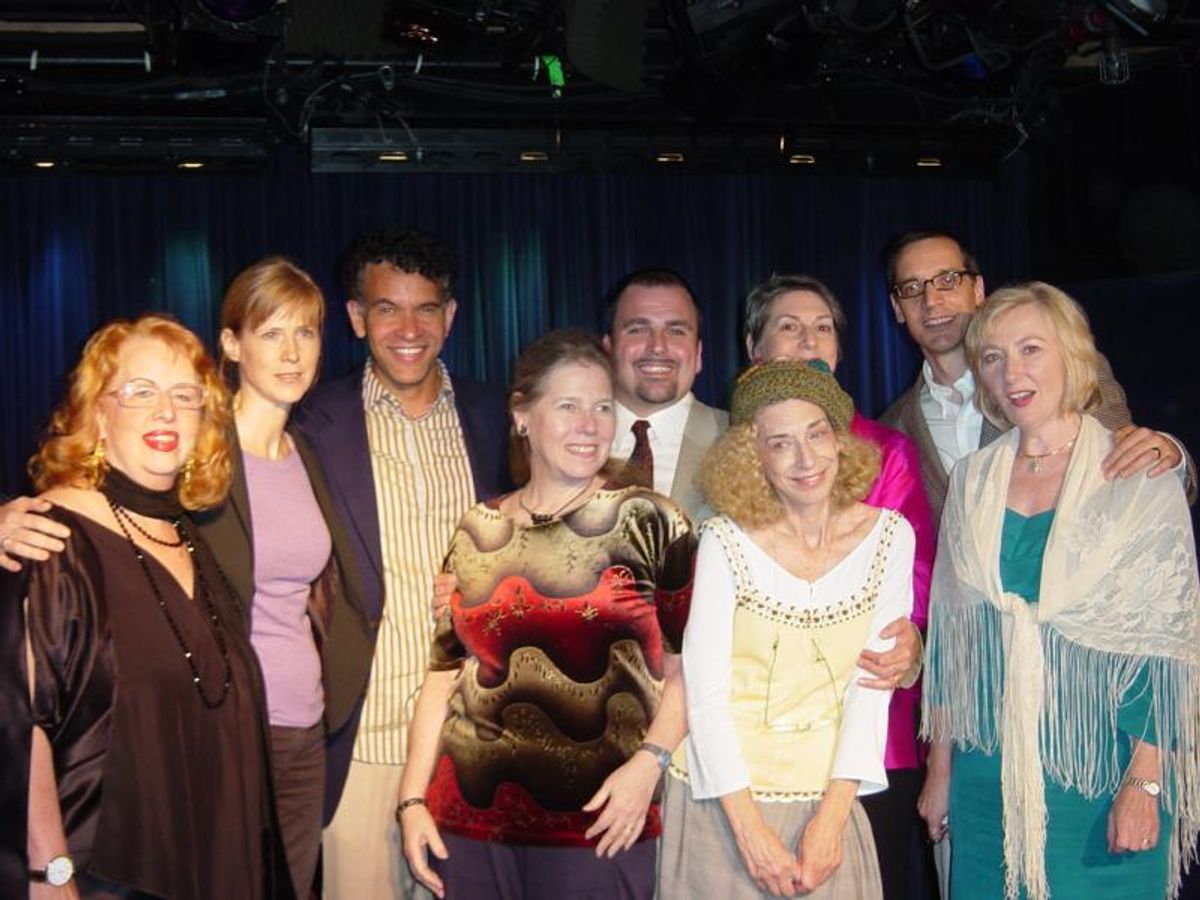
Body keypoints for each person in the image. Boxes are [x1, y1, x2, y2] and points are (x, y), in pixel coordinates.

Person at [920, 282, 1200, 900]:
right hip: (985, 773)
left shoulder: (1136, 471)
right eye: (993, 357)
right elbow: (953, 644)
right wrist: (939, 772)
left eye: (1031, 349)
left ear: (1071, 355)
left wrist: (1146, 781)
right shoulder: (972, 480)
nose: (1011, 373)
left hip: (1101, 770)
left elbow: (1165, 648)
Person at [0, 314, 291, 899]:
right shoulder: (50, 539)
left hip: (216, 862)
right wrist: (49, 872)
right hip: (107, 878)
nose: (166, 412)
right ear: (97, 415)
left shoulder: (191, 541)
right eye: (139, 391)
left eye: (185, 396)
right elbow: (19, 722)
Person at [398, 329, 695, 900]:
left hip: (601, 826)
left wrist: (649, 765)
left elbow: (691, 673)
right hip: (467, 823)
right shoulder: (477, 528)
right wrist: (412, 799)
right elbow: (442, 677)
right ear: (522, 416)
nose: (590, 425)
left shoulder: (652, 520)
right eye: (568, 406)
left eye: (602, 407)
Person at [290, 226, 512, 899]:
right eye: (388, 309)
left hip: (477, 742)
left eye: (426, 308)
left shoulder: (498, 417)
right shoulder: (310, 424)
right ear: (357, 317)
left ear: (451, 315)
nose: (408, 329)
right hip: (365, 742)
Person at [660, 358, 915, 900]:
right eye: (780, 443)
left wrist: (833, 818)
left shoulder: (891, 537)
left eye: (816, 434)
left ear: (839, 438)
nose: (806, 459)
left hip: (828, 803)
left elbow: (871, 689)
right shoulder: (724, 540)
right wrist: (749, 833)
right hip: (722, 804)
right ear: (753, 457)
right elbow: (705, 694)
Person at [743, 274, 934, 899]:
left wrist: (911, 638)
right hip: (763, 732)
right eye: (790, 328)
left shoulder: (887, 450)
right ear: (754, 350)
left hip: (870, 722)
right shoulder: (735, 457)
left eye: (823, 328)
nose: (810, 342)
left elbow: (917, 577)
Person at [192, 257, 364, 899]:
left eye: (306, 332)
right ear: (233, 344)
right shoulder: (197, 448)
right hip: (227, 725)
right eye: (271, 333)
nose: (292, 353)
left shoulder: (305, 454)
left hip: (303, 725)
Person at [879, 229, 1196, 524]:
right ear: (897, 307)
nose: (931, 301)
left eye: (947, 280)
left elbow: (1134, 460)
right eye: (912, 288)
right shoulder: (890, 432)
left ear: (977, 290)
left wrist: (1170, 456)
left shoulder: (1062, 373)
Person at [602, 269, 727, 519]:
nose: (658, 346)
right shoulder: (564, 441)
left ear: (698, 354)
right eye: (638, 329)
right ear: (607, 350)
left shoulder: (741, 438)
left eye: (676, 331)